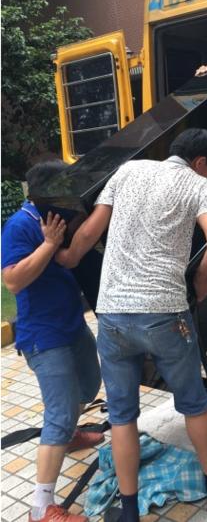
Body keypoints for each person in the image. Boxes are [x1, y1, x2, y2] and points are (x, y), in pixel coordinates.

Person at [56, 128, 207, 520]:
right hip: (164, 314)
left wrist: (68, 258)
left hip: (113, 315)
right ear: (201, 162)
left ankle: (128, 510)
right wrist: (203, 276)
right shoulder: (197, 185)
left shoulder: (127, 170)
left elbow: (89, 231)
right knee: (193, 403)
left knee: (122, 415)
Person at [1, 160, 103, 522]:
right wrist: (48, 245)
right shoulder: (20, 225)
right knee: (58, 414)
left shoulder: (55, 215)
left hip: (71, 324)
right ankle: (41, 507)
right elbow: (13, 281)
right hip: (43, 336)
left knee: (89, 384)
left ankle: (69, 435)